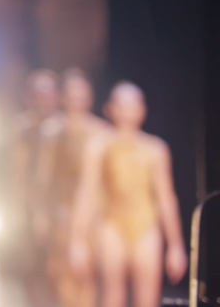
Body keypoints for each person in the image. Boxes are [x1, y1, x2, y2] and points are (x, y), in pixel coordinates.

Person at [70, 81, 187, 307]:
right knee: (113, 297)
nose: (127, 111)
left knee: (148, 299)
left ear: (142, 109)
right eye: (121, 105)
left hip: (147, 225)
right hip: (111, 223)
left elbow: (166, 197)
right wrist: (78, 241)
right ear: (110, 108)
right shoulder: (98, 145)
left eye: (133, 105)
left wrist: (176, 245)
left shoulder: (155, 148)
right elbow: (86, 192)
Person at [33, 68, 110, 307]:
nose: (77, 101)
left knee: (89, 270)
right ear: (64, 97)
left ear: (90, 97)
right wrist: (40, 212)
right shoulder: (52, 131)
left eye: (82, 95)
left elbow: (105, 180)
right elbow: (43, 175)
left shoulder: (101, 131)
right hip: (61, 210)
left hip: (94, 212)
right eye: (71, 95)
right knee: (61, 271)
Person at [12, 69, 61, 307]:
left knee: (56, 263)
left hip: (60, 201)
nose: (43, 98)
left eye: (48, 91)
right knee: (27, 261)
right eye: (38, 92)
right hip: (28, 200)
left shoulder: (63, 126)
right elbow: (17, 169)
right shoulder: (21, 127)